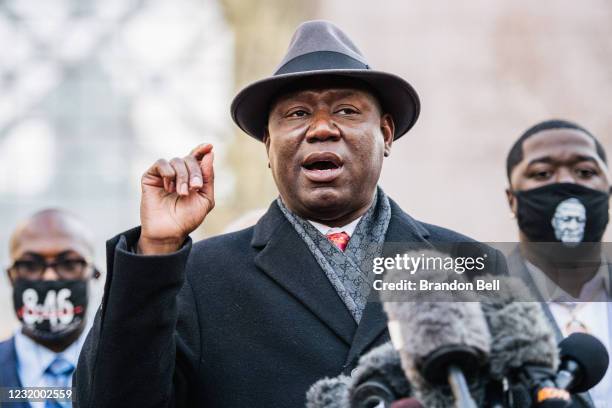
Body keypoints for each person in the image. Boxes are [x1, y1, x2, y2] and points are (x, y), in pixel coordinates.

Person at [74, 20, 505, 407]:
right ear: (267, 145)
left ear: (386, 134)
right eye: (297, 114)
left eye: (346, 111)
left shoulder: (465, 264)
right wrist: (157, 251)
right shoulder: (199, 276)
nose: (320, 128)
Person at [505, 119, 611, 407]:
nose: (566, 182)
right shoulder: (479, 307)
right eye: (543, 173)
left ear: (608, 193)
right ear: (512, 200)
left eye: (585, 172)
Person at [0, 209, 99, 408]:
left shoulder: (130, 368)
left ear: (94, 273)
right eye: (30, 265)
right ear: (11, 276)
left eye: (69, 263)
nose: (50, 277)